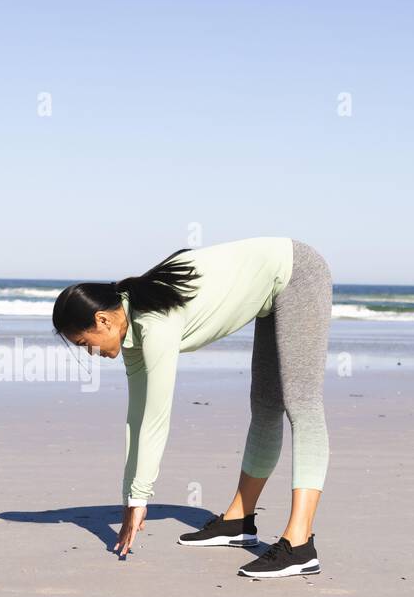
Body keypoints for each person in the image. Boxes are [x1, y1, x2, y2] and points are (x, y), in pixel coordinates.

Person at [52, 238, 331, 578]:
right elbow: (137, 415)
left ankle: (300, 544)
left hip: (298, 273)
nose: (89, 353)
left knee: (302, 404)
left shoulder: (154, 324)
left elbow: (156, 418)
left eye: (85, 343)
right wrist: (130, 497)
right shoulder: (132, 327)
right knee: (265, 406)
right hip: (272, 288)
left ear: (103, 320)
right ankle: (239, 521)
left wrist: (140, 499)